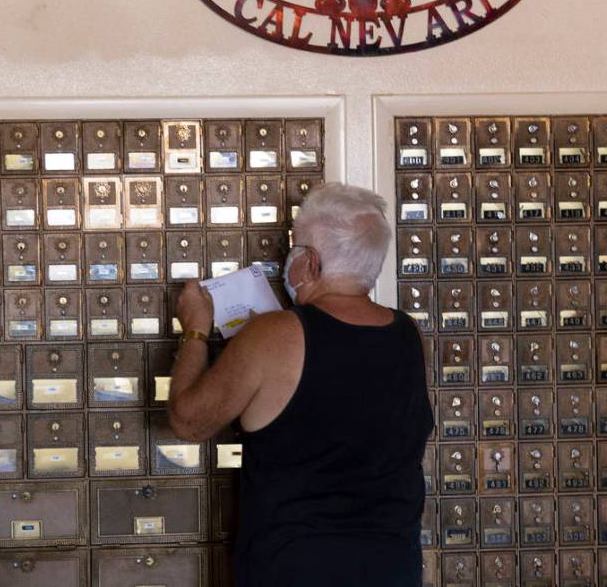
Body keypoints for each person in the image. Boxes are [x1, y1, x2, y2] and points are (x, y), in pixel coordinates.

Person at [167, 182, 434, 586]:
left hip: (295, 569)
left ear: (309, 263)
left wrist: (195, 329)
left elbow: (189, 421)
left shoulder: (276, 333)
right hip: (391, 568)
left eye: (293, 247)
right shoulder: (408, 335)